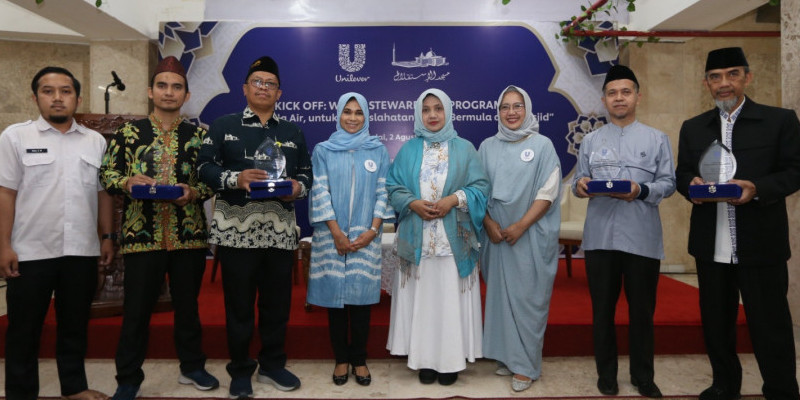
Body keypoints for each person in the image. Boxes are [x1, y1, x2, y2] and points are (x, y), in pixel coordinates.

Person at [675, 47, 800, 400]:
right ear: (707, 83)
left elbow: (794, 171)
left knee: (770, 326)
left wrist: (757, 188)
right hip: (711, 245)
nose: (724, 83)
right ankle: (724, 386)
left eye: (732, 74)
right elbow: (683, 173)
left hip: (761, 245)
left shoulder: (779, 121)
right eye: (716, 77)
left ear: (747, 76)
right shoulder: (693, 127)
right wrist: (691, 188)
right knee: (717, 326)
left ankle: (781, 390)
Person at [99, 56, 219, 400]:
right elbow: (106, 175)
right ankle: (128, 377)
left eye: (176, 87)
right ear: (151, 91)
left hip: (189, 236)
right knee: (136, 310)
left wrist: (193, 192)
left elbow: (212, 182)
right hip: (142, 237)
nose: (169, 92)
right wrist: (127, 181)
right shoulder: (128, 133)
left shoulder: (200, 137)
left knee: (188, 307)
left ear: (187, 94)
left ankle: (192, 366)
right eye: (163, 86)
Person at [197, 55, 312, 399]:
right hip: (237, 232)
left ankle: (273, 365)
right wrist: (236, 178)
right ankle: (241, 369)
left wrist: (297, 188)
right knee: (239, 305)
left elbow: (306, 174)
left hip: (278, 231)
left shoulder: (292, 132)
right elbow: (203, 168)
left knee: (277, 304)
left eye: (270, 84)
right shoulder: (223, 125)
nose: (264, 88)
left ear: (280, 93)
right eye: (257, 82)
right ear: (246, 88)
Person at [0, 66, 114, 400]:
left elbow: (103, 193)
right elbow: (5, 193)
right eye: (48, 91)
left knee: (74, 327)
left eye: (65, 91)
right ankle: (21, 394)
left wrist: (107, 238)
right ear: (35, 97)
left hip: (80, 250)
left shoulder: (95, 141)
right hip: (30, 250)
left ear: (77, 98)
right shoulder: (15, 137)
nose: (57, 98)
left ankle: (74, 390)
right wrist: (3, 244)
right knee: (23, 330)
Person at [573, 65, 675, 398]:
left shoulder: (657, 138)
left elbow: (668, 183)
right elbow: (578, 182)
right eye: (613, 93)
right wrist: (582, 186)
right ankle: (607, 376)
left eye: (626, 92)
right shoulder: (590, 141)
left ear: (637, 96)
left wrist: (640, 191)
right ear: (604, 99)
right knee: (602, 310)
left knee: (642, 312)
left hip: (642, 238)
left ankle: (643, 376)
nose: (619, 98)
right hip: (601, 238)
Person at [385, 88, 489, 386]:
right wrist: (413, 203)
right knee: (424, 301)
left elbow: (481, 188)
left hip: (452, 242)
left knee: (448, 301)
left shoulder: (465, 148)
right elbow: (393, 187)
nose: (432, 115)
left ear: (448, 112)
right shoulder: (408, 149)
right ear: (419, 114)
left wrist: (453, 200)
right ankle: (424, 360)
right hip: (418, 241)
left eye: (438, 109)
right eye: (426, 109)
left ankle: (450, 361)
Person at [306, 92, 394, 387]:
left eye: (359, 112)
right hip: (332, 237)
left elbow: (383, 191)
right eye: (347, 112)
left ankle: (359, 359)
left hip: (366, 237)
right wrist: (336, 233)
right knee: (336, 304)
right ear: (338, 115)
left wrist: (372, 231)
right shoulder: (324, 150)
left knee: (361, 302)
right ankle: (341, 358)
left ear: (367, 116)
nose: (353, 118)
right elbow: (319, 191)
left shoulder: (378, 150)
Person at [479, 85, 561, 392]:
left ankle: (526, 366)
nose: (511, 113)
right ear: (497, 112)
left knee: (529, 300)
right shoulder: (487, 146)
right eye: (505, 107)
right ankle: (507, 356)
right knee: (500, 299)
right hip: (496, 237)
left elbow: (548, 192)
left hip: (528, 237)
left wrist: (521, 226)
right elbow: (478, 190)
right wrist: (487, 223)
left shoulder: (543, 145)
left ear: (527, 109)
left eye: (517, 106)